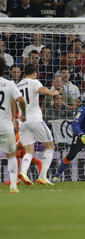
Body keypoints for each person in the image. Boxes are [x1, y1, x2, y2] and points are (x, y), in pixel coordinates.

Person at [16, 64, 60, 186]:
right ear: (35, 73)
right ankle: (42, 176)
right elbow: (43, 91)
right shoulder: (34, 82)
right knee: (50, 146)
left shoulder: (17, 85)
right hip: (35, 119)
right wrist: (54, 92)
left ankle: (23, 173)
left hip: (22, 122)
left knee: (29, 150)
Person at [0, 58, 27, 193]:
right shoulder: (9, 84)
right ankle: (13, 186)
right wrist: (23, 114)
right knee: (11, 154)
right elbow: (21, 100)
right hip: (5, 126)